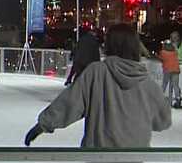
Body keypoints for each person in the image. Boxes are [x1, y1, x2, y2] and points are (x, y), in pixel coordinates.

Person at [24, 24, 171, 148]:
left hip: (99, 160)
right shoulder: (147, 83)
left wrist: (42, 125)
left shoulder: (96, 73)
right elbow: (163, 121)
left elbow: (70, 103)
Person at [159, 40, 182, 109]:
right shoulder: (175, 52)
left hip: (167, 70)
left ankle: (159, 99)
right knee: (176, 85)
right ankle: (178, 100)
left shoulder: (163, 52)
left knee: (164, 84)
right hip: (176, 70)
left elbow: (160, 58)